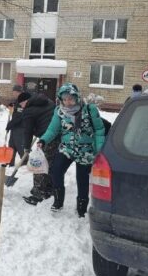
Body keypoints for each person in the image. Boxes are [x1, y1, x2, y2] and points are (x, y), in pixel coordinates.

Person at [37, 83, 105, 217]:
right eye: (65, 99)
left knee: (82, 179)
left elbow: (99, 130)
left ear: (77, 97)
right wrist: (43, 140)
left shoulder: (89, 110)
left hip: (85, 150)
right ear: (61, 99)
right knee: (56, 171)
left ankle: (81, 208)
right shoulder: (59, 111)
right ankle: (58, 201)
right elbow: (53, 129)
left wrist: (99, 149)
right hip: (66, 148)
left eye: (71, 98)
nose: (68, 102)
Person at [16, 93, 57, 205]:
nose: (22, 107)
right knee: (50, 163)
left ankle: (38, 194)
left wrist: (26, 147)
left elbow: (27, 131)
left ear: (25, 101)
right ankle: (49, 189)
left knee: (39, 164)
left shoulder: (28, 111)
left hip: (46, 138)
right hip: (59, 136)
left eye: (21, 104)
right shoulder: (48, 101)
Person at [5, 91, 30, 166]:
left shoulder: (24, 102)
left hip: (21, 128)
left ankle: (25, 162)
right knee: (11, 145)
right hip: (14, 128)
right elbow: (15, 106)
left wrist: (10, 124)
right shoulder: (17, 101)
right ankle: (10, 162)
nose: (14, 94)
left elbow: (20, 117)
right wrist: (12, 105)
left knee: (20, 146)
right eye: (13, 92)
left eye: (15, 92)